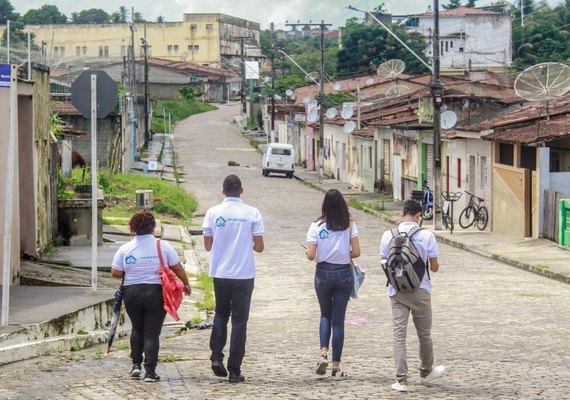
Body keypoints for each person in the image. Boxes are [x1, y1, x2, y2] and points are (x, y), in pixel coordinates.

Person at [111, 211, 191, 383]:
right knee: (151, 334)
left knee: (137, 329)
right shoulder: (163, 246)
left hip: (131, 293)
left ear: (133, 229)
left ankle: (135, 365)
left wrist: (134, 269)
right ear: (153, 228)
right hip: (156, 293)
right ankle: (150, 372)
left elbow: (116, 272)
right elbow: (177, 268)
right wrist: (186, 284)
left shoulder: (125, 248)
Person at [202, 175, 264, 383]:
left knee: (220, 314)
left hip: (220, 272)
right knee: (239, 322)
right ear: (242, 190)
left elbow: (208, 246)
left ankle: (216, 357)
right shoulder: (252, 213)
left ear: (223, 191)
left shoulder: (212, 213)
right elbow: (260, 247)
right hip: (244, 274)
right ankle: (235, 370)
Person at [379, 199, 445, 392]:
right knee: (424, 333)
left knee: (399, 335)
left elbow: (384, 263)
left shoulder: (387, 235)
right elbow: (434, 267)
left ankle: (401, 380)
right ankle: (426, 370)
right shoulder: (427, 236)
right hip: (420, 291)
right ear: (419, 216)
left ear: (402, 214)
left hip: (396, 291)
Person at [305, 189, 360, 379]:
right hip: (344, 273)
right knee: (338, 321)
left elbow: (311, 255)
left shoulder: (316, 225)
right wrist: (343, 252)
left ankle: (323, 353)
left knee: (325, 315)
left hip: (323, 273)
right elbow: (357, 252)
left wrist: (310, 252)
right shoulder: (349, 225)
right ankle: (336, 368)